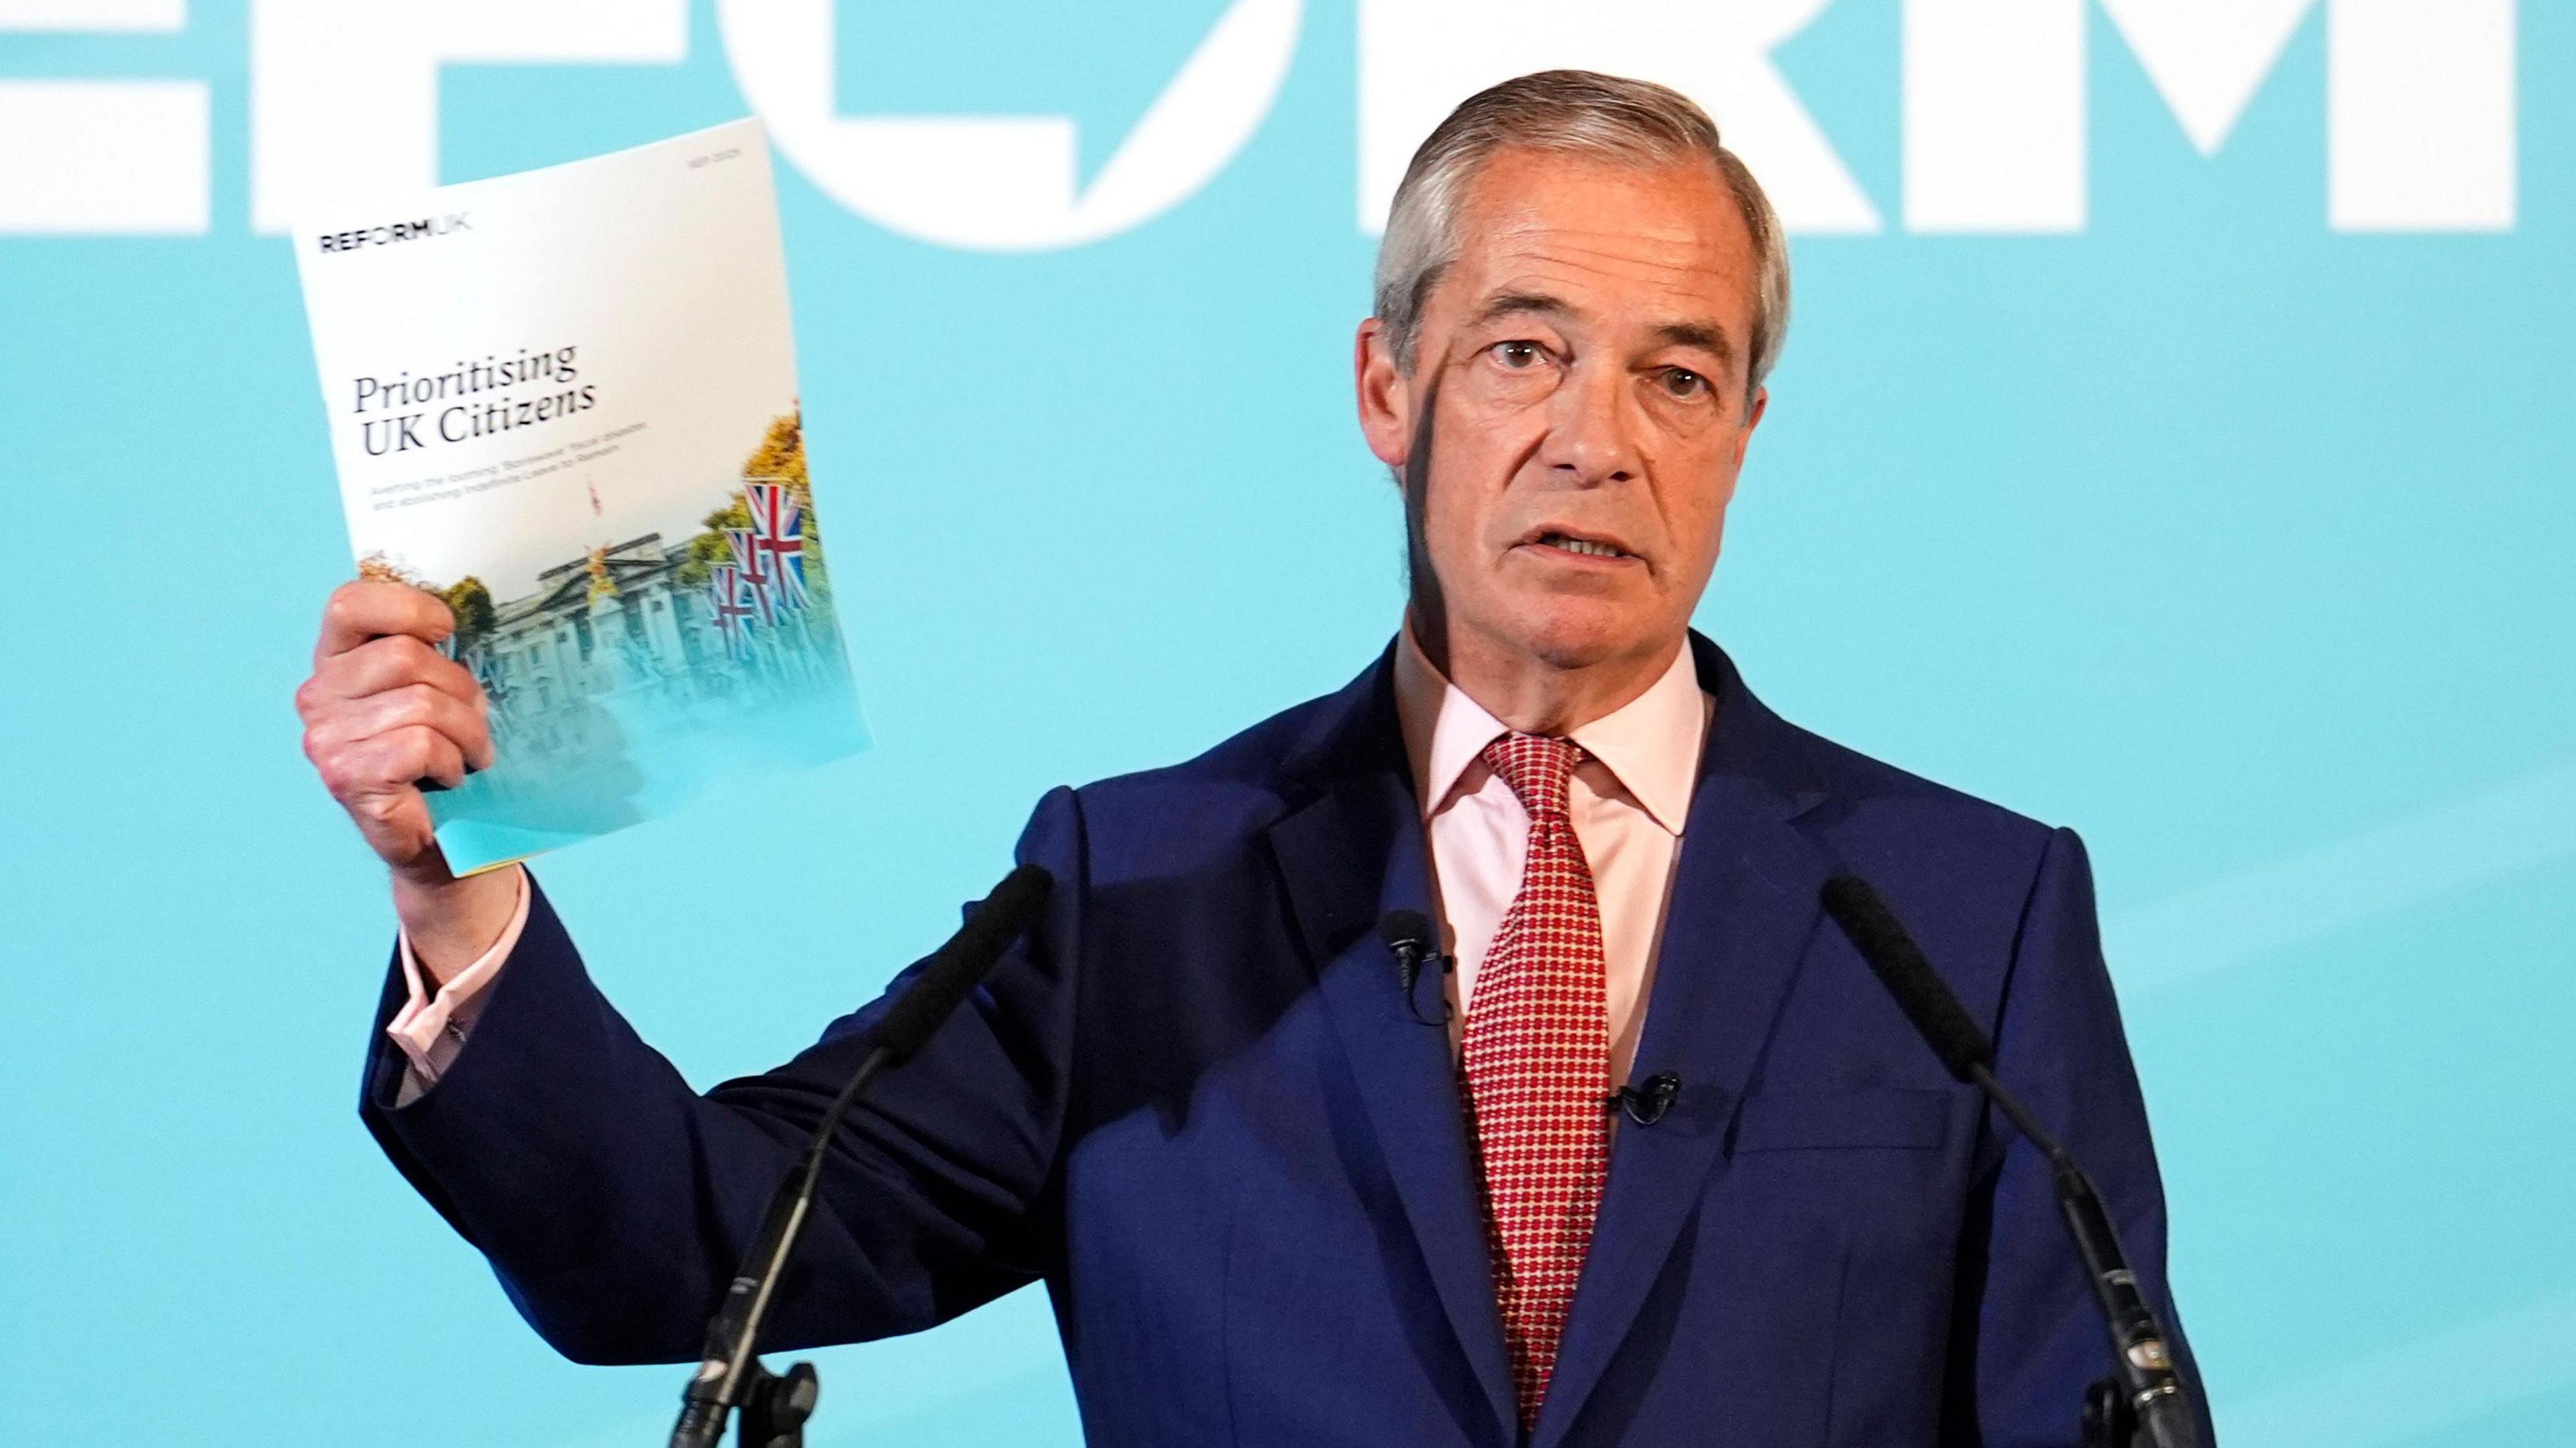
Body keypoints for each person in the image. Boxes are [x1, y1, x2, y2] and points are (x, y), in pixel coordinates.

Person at [296, 70, 2212, 1447]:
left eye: (1678, 375)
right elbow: (694, 1251)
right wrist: (450, 887)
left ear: (1744, 432)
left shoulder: (1966, 912)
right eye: (1525, 352)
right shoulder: (1138, 894)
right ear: (1389, 388)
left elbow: (2102, 1411)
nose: (1597, 439)